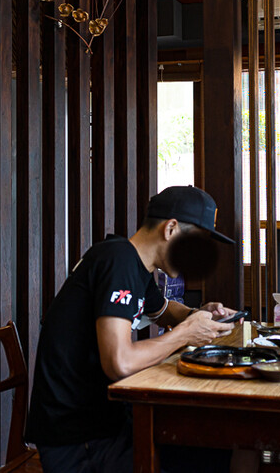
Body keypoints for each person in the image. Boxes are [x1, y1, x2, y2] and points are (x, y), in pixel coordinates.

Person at [26, 186, 256, 473]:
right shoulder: (117, 260)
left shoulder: (136, 264)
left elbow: (161, 311)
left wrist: (201, 314)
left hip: (109, 423)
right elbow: (119, 363)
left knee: (234, 441)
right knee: (237, 449)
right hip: (80, 441)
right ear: (171, 229)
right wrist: (186, 333)